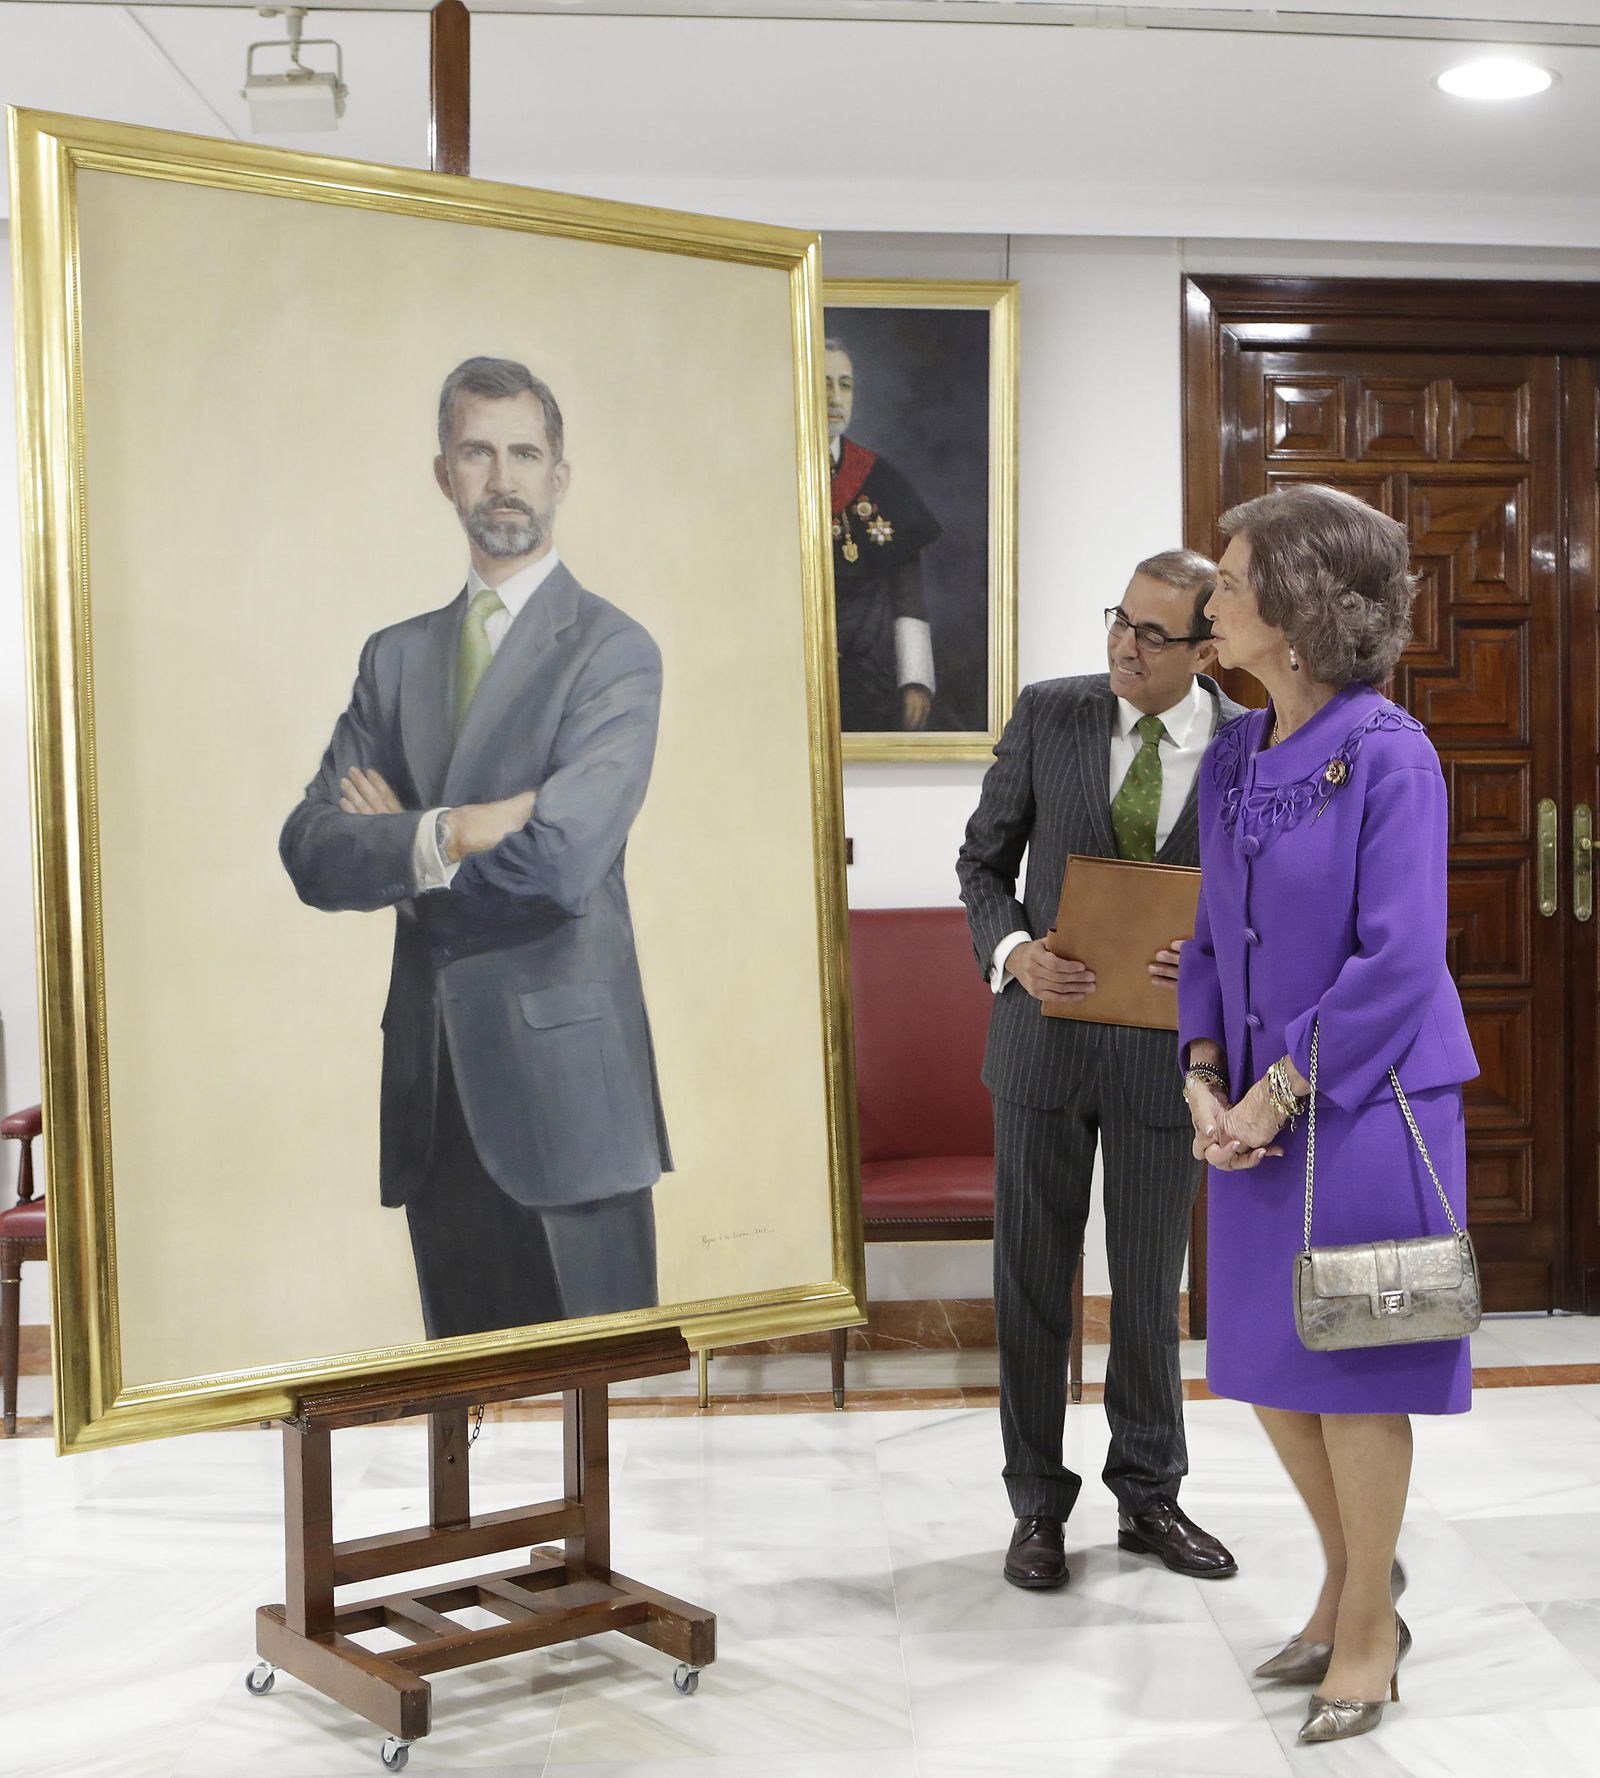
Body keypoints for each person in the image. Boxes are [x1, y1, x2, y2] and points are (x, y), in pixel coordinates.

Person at [280, 356, 671, 1342]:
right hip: (432, 1085)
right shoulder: (395, 657)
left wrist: (398, 844)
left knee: (596, 1411)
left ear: (559, 475)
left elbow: (559, 863)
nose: (503, 476)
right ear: (443, 472)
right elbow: (312, 849)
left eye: (524, 453)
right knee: (464, 1401)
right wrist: (454, 826)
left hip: (568, 1096)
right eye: (477, 451)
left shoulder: (613, 651)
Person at [1178, 483, 1478, 1746]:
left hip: (1362, 1104)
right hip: (1243, 1110)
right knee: (1268, 1365)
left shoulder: (1389, 753)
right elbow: (1203, 933)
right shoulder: (1234, 752)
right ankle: (1358, 1577)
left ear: (1298, 609)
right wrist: (1200, 1072)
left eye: (1233, 582)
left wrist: (1276, 1088)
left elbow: (1401, 955)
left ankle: (1364, 1629)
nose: (1212, 602)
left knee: (1354, 1371)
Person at [957, 549, 1244, 1590]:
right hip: (1041, 1049)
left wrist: (1211, 944)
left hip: (1171, 1059)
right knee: (1032, 1284)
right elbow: (981, 862)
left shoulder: (1247, 746)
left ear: (1207, 649)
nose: (1124, 643)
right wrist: (1014, 952)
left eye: (1153, 632)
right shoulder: (1051, 712)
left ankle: (1149, 1494)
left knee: (1146, 1288)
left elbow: (1261, 891)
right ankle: (1035, 1504)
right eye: (1119, 619)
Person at [824, 338, 940, 733]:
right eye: (822, 383)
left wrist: (915, 680)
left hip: (865, 680)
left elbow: (907, 592)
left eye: (844, 384)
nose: (834, 397)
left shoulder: (881, 480)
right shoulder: (768, 474)